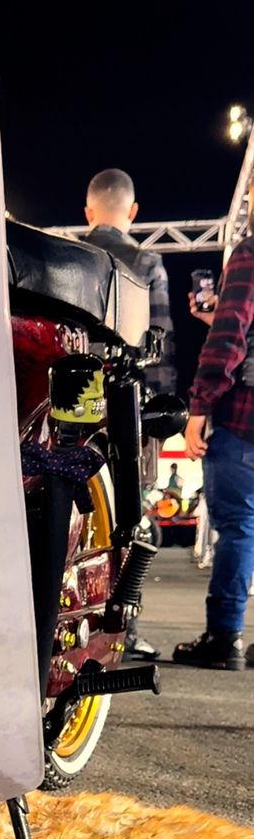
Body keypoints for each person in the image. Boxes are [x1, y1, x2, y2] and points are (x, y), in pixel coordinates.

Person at [84, 168, 179, 660]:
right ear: (133, 211)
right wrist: (163, 412)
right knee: (130, 520)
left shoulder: (70, 256)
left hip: (72, 409)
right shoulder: (147, 263)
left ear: (88, 212)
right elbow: (158, 342)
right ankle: (123, 629)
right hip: (129, 413)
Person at [172, 217, 254, 669]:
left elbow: (229, 339)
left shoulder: (249, 253)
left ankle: (224, 637)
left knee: (239, 527)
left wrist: (200, 407)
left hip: (244, 417)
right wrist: (214, 316)